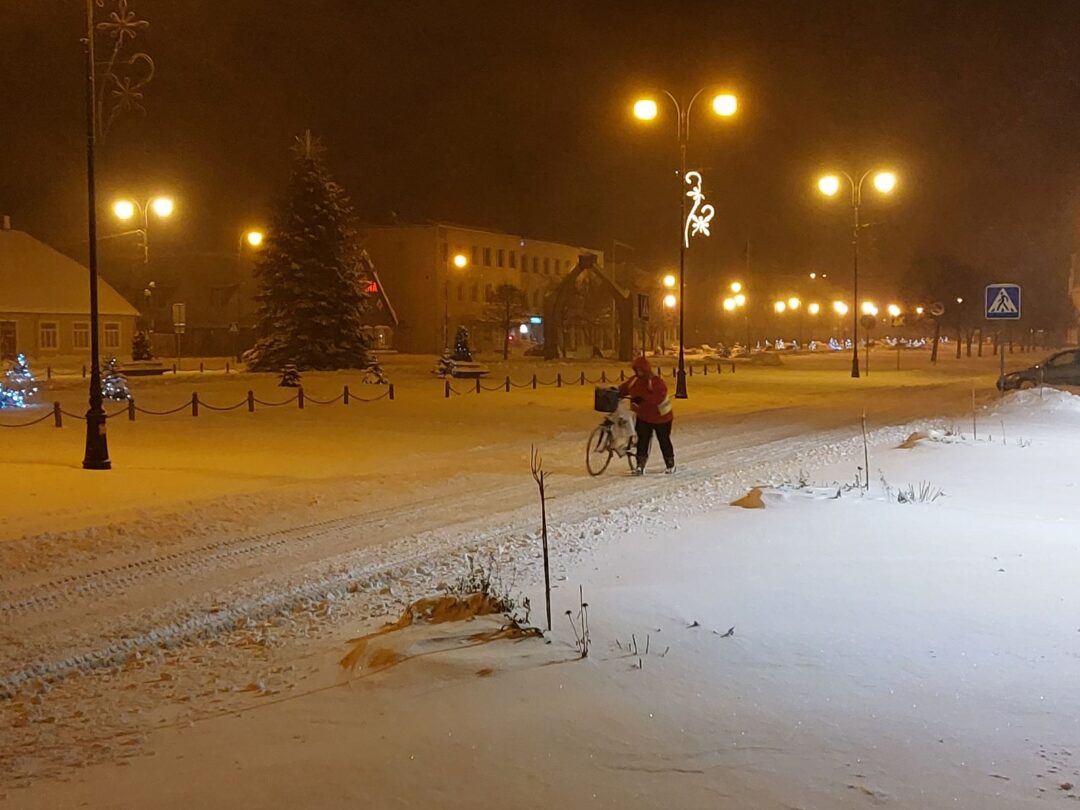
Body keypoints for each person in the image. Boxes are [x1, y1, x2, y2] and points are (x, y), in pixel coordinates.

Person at [618, 356, 675, 475]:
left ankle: (670, 464)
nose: (638, 372)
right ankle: (640, 465)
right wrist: (615, 392)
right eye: (636, 370)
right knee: (642, 441)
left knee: (663, 440)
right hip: (644, 416)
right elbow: (624, 389)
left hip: (661, 418)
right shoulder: (634, 381)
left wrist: (643, 399)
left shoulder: (656, 382)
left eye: (640, 370)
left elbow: (658, 397)